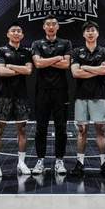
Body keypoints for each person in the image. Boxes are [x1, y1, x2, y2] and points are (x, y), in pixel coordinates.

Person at [69, 21, 105, 178]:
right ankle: (79, 163)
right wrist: (97, 70)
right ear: (83, 34)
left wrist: (86, 67)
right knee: (82, 131)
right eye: (87, 31)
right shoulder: (76, 52)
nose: (90, 33)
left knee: (101, 130)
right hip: (81, 96)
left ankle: (104, 163)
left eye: (93, 30)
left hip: (99, 96)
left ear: (97, 33)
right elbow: (75, 73)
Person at [30, 15, 72, 175]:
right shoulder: (36, 43)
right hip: (42, 91)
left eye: (54, 24)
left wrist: (46, 60)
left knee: (61, 128)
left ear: (58, 26)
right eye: (48, 24)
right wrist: (56, 58)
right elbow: (38, 64)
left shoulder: (66, 43)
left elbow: (66, 64)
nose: (51, 26)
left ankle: (59, 160)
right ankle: (40, 160)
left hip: (61, 91)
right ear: (44, 27)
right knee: (41, 127)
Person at [0, 22, 33, 177]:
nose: (16, 33)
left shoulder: (26, 52)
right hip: (4, 95)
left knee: (22, 130)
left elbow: (29, 70)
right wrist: (20, 69)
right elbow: (2, 72)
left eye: (19, 31)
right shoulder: (1, 50)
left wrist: (11, 66)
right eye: (13, 30)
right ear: (8, 34)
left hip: (21, 95)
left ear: (22, 35)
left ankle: (21, 163)